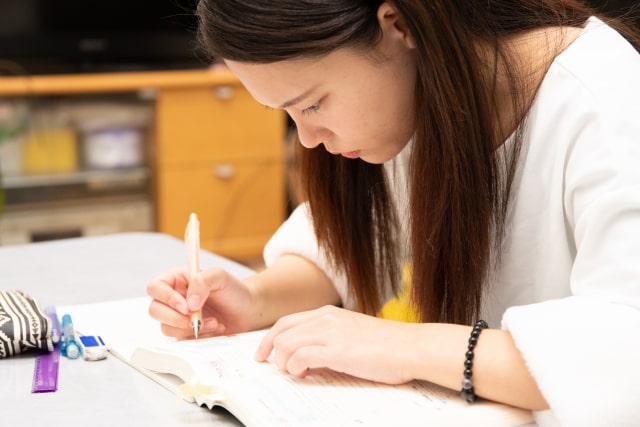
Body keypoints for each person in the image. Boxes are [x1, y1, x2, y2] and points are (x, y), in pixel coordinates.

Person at [146, 1, 640, 425]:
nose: (307, 138)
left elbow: (625, 355)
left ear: (397, 25)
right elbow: (339, 244)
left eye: (313, 103)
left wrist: (405, 347)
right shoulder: (415, 93)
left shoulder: (605, 99)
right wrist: (253, 300)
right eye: (288, 114)